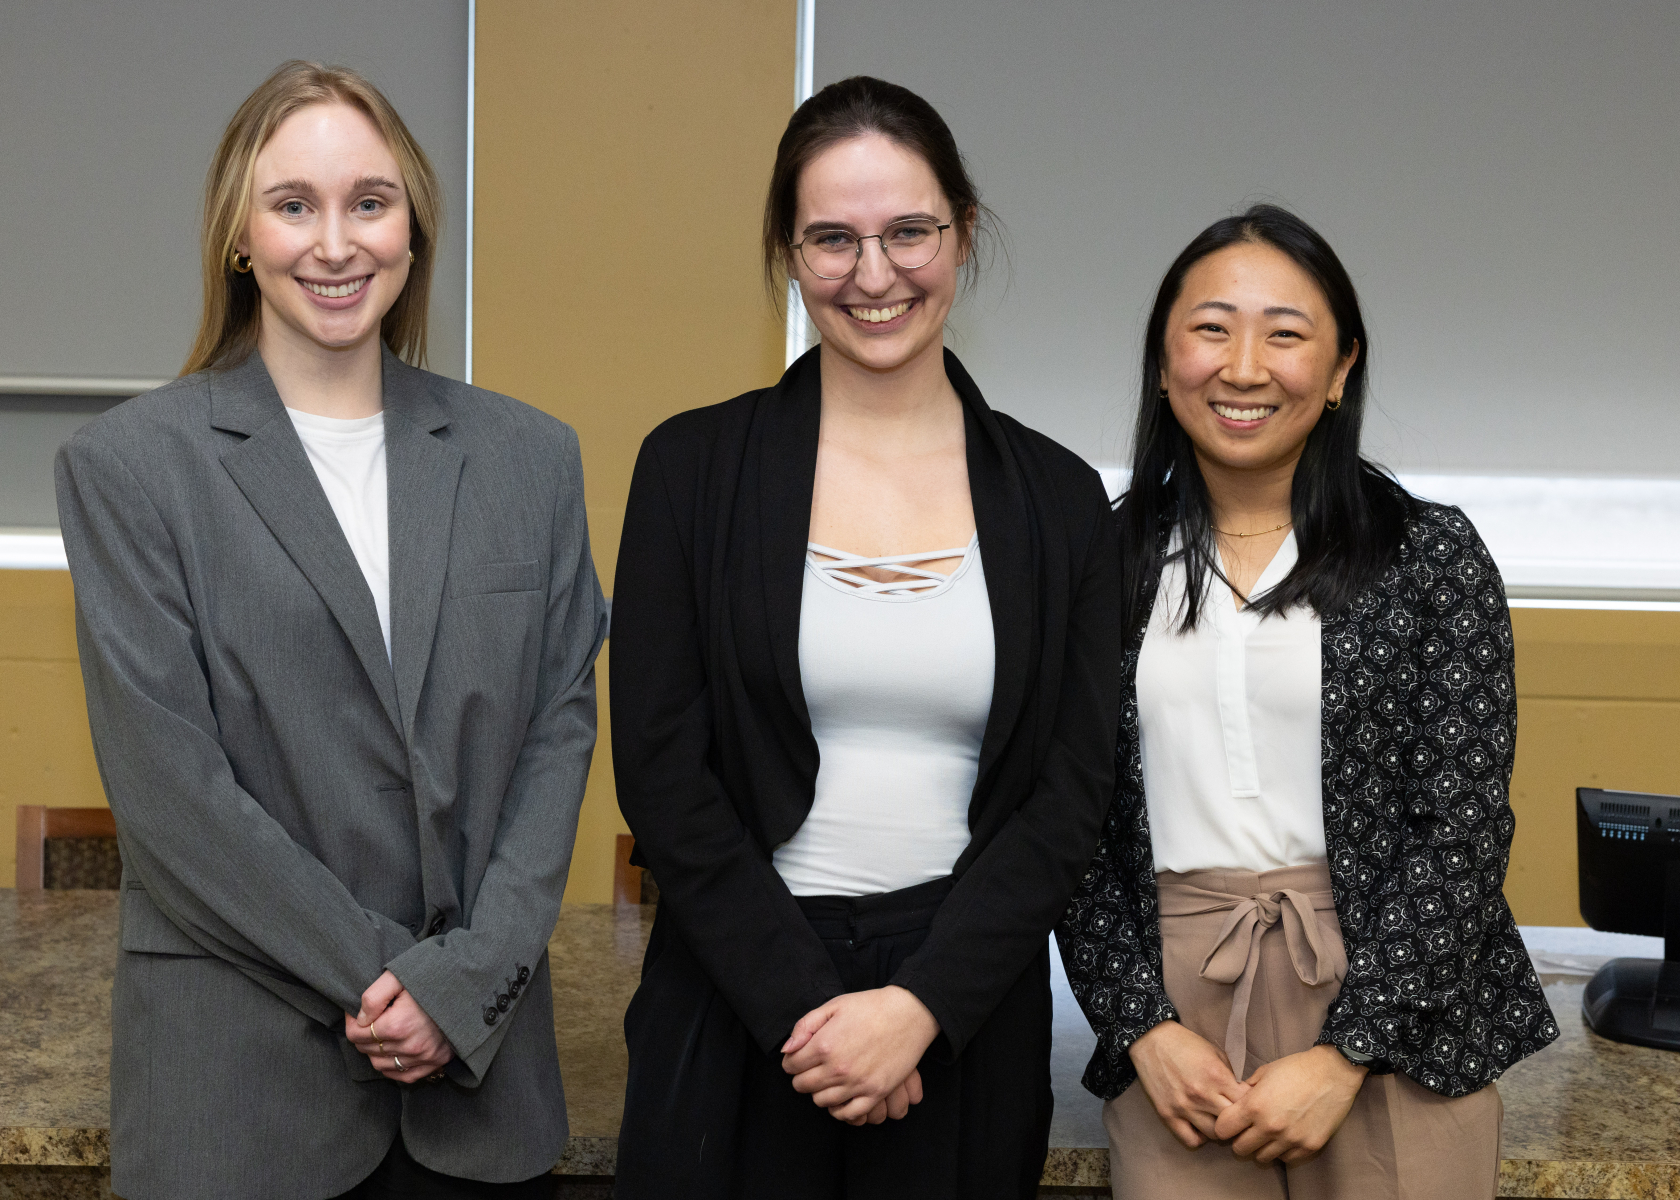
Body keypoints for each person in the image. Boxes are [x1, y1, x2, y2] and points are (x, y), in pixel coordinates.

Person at [55, 61, 606, 1200]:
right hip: (238, 1101)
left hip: (482, 1102)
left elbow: (557, 739)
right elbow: (172, 799)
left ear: (413, 226)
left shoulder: (531, 460)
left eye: (370, 201)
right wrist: (399, 981)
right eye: (293, 204)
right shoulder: (130, 469)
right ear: (238, 236)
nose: (337, 243)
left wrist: (467, 986)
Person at [609, 75, 1124, 1199]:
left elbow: (1072, 795)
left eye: (908, 232)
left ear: (964, 233)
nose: (874, 273)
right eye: (833, 239)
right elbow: (660, 772)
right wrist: (811, 1010)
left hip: (961, 1013)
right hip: (735, 997)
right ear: (790, 253)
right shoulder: (690, 471)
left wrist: (920, 1009)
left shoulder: (1061, 501)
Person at [1057, 204, 1558, 1199]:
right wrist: (1140, 1025)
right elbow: (1060, 819)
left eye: (1284, 334)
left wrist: (1347, 1052)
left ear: (1338, 370)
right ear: (1162, 361)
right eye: (1211, 329)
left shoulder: (1430, 555)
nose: (1243, 368)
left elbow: (1461, 825)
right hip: (1178, 1030)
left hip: (1402, 1009)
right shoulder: (1092, 561)